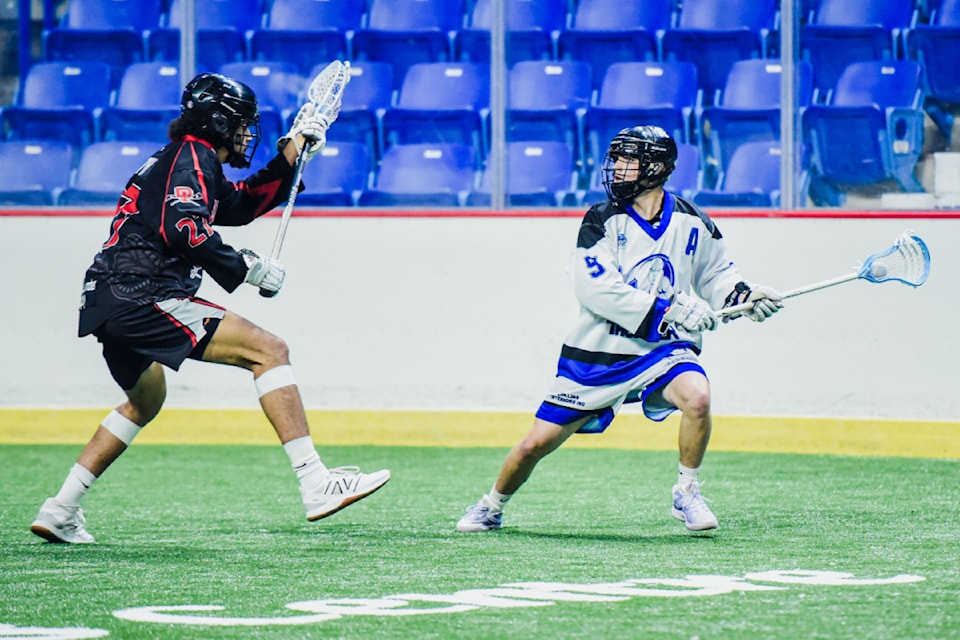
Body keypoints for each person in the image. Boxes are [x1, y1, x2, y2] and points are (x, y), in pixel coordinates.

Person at [30, 72, 389, 544]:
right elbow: (182, 227)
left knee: (145, 400)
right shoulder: (193, 156)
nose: (246, 134)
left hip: (106, 298)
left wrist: (292, 154)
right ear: (218, 122)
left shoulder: (185, 160)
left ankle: (60, 508)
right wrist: (246, 268)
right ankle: (315, 482)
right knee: (268, 351)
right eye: (241, 124)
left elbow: (237, 206)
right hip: (142, 293)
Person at [456, 125, 783, 534]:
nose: (617, 167)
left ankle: (687, 492)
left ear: (656, 168)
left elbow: (717, 274)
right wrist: (669, 309)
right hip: (599, 355)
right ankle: (491, 505)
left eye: (628, 159)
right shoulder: (601, 219)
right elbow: (596, 288)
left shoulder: (693, 221)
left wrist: (743, 296)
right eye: (618, 158)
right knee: (535, 444)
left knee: (697, 398)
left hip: (661, 351)